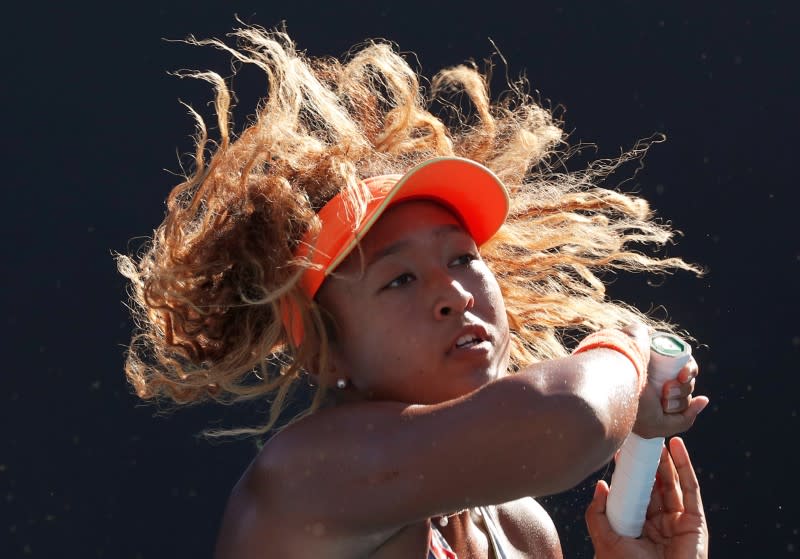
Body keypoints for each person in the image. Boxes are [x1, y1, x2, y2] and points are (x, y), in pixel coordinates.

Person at [118, 25, 709, 558]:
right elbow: (572, 415)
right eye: (399, 279)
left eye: (463, 258)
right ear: (326, 353)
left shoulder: (524, 531)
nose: (455, 293)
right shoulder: (308, 477)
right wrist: (626, 350)